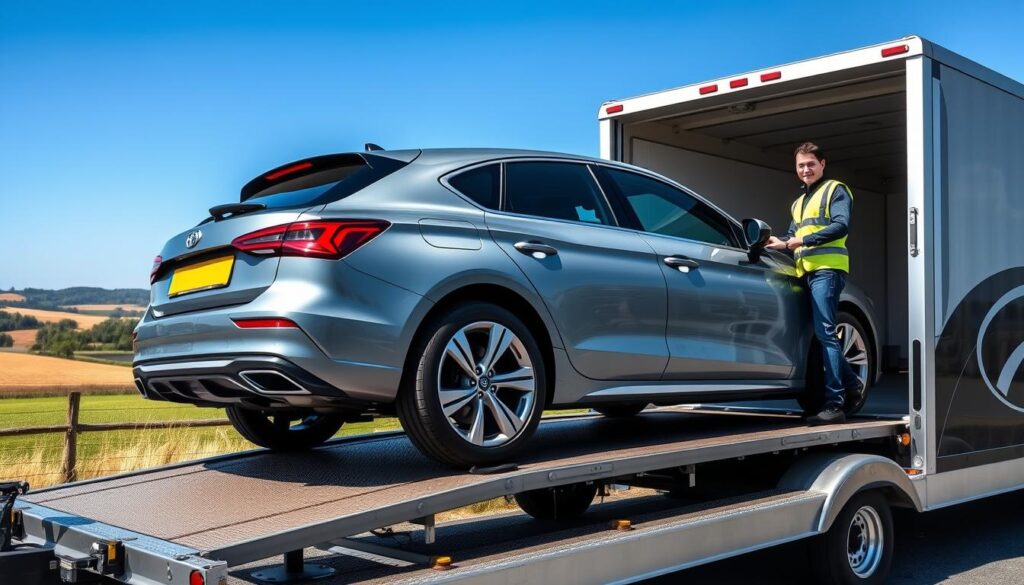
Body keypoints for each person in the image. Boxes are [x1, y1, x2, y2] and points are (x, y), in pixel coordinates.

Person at [766, 142, 864, 425]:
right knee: (821, 335)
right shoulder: (798, 203)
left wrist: (802, 241)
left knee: (826, 334)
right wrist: (779, 242)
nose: (806, 169)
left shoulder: (836, 189)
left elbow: (841, 225)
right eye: (801, 165)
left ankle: (835, 404)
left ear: (822, 164)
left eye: (810, 164)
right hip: (805, 272)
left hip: (827, 270)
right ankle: (852, 386)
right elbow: (791, 236)